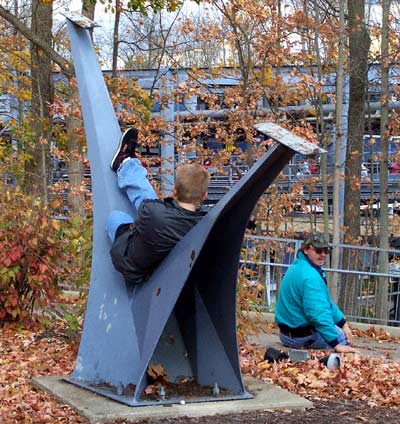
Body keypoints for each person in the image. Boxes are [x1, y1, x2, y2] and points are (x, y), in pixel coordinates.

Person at [107, 128, 210, 284]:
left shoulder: (152, 211)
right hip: (163, 276)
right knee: (155, 212)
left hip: (135, 270)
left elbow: (148, 206)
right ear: (204, 196)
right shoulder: (203, 227)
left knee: (115, 217)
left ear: (174, 190)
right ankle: (127, 165)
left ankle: (126, 163)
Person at [275, 232, 357, 354]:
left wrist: (342, 322)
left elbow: (325, 302)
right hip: (300, 338)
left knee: (338, 329)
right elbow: (318, 313)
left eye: (326, 250)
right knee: (343, 338)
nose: (323, 255)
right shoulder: (310, 277)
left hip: (286, 334)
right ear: (306, 250)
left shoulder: (298, 266)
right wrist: (336, 344)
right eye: (318, 251)